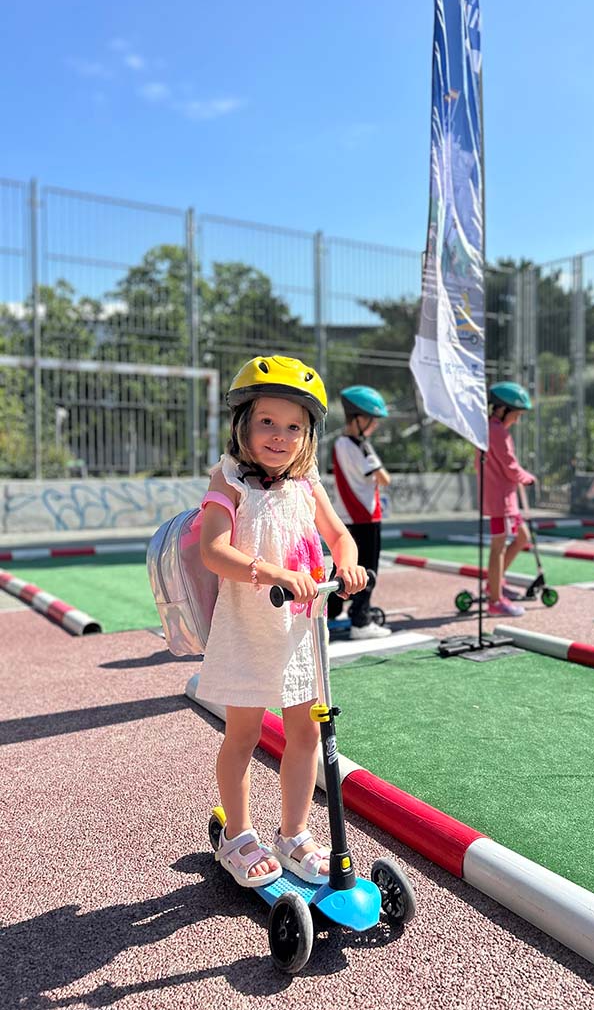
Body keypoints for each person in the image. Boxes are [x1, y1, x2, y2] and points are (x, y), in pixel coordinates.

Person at [197, 355, 368, 889]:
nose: (280, 435)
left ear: (308, 435)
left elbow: (340, 536)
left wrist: (346, 562)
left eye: (294, 426)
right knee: (244, 733)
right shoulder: (229, 481)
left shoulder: (306, 485)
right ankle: (237, 835)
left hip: (301, 632)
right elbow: (213, 550)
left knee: (305, 733)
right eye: (267, 421)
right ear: (242, 423)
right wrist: (269, 570)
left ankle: (293, 835)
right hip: (249, 627)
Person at [326, 385, 392, 640]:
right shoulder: (358, 446)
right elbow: (384, 479)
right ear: (359, 419)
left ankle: (330, 613)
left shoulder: (342, 444)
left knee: (343, 566)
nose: (374, 425)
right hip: (363, 515)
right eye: (372, 420)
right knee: (367, 569)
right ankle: (361, 620)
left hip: (350, 515)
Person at [477, 381, 535, 617]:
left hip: (506, 497)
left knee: (522, 537)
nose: (518, 420)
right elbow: (510, 466)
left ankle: (495, 583)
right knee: (498, 548)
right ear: (502, 409)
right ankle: (494, 600)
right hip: (500, 499)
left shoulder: (495, 429)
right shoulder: (496, 431)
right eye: (517, 414)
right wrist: (527, 477)